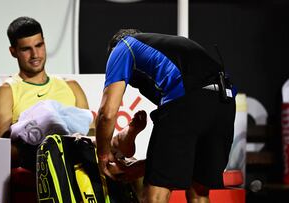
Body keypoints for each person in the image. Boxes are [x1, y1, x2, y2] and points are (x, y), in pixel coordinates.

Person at [0, 17, 147, 177]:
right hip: (39, 155)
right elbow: (0, 152)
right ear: (13, 51)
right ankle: (116, 142)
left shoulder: (71, 86)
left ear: (45, 43)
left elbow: (89, 129)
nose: (35, 54)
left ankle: (115, 146)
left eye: (39, 45)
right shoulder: (4, 92)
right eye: (26, 49)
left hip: (78, 151)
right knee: (48, 116)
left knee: (129, 166)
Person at [95, 29, 236, 203]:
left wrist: (102, 156)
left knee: (155, 195)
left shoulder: (124, 47)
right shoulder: (169, 49)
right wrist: (139, 168)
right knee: (199, 192)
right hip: (225, 102)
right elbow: (178, 156)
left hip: (188, 98)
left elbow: (107, 114)